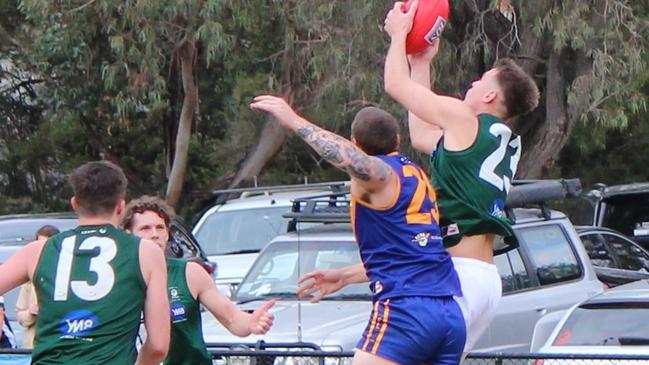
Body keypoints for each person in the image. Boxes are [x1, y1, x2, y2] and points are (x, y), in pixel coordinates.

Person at [298, 1, 542, 355]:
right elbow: (422, 136)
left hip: (455, 278)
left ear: (489, 95)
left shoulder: (464, 119)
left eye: (478, 82)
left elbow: (394, 85)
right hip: (483, 280)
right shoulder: (495, 140)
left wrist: (398, 35)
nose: (470, 87)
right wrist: (421, 61)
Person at [250, 97, 465, 365]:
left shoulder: (382, 177)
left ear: (355, 143)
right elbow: (406, 254)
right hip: (448, 313)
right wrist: (345, 275)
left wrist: (294, 121)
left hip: (406, 310)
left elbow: (354, 161)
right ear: (398, 140)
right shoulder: (415, 175)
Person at [0, 161, 170, 365]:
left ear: (74, 203)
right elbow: (159, 345)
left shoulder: (38, 251)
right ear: (121, 206)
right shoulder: (145, 252)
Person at [120, 195, 275, 365]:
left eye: (160, 227)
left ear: (168, 233)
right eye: (145, 228)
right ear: (129, 234)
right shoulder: (118, 279)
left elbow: (232, 318)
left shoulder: (189, 273)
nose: (155, 234)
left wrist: (250, 322)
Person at [15, 225, 60, 349]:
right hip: (32, 348)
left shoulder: (65, 276)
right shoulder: (29, 279)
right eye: (37, 245)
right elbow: (20, 315)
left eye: (45, 245)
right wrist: (30, 313)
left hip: (57, 347)